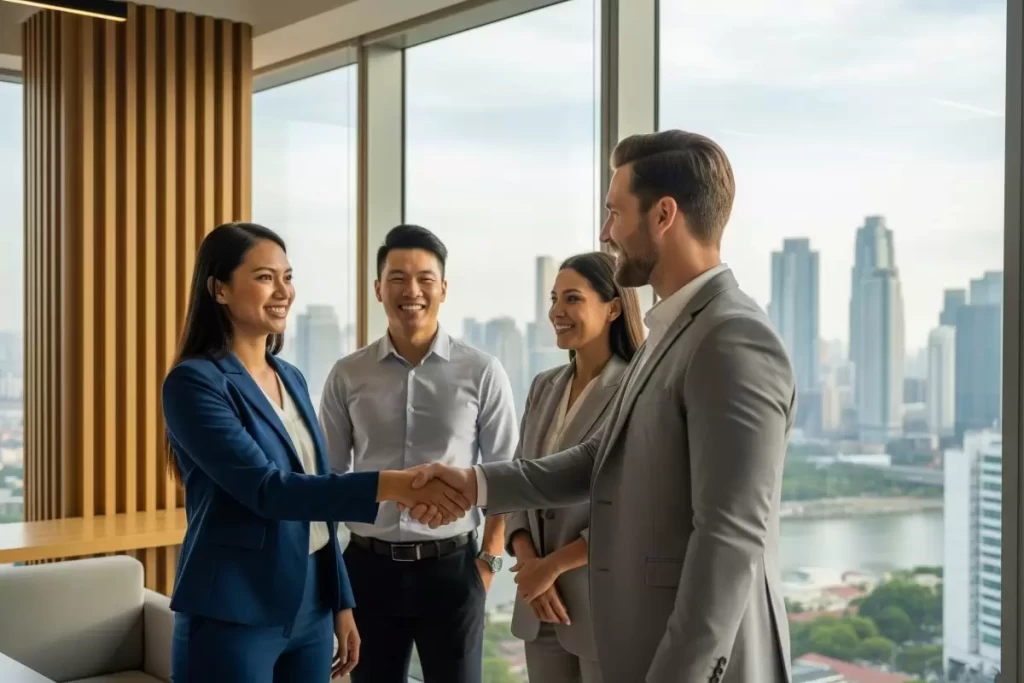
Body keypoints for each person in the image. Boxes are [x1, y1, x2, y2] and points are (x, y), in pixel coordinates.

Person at [407, 130, 797, 683]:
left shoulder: (731, 338)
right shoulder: (669, 333)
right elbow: (598, 459)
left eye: (615, 213)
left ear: (664, 215)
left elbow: (730, 537)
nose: (605, 233)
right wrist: (474, 484)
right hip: (634, 644)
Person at [161, 222, 471, 683]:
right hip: (236, 607)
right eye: (265, 277)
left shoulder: (291, 377)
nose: (283, 291)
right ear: (219, 289)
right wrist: (394, 485)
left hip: (310, 605)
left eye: (287, 277)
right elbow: (269, 491)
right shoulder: (195, 384)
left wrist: (340, 602)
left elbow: (318, 497)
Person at [318, 224, 518, 683]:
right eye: (398, 278)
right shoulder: (348, 375)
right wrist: (336, 583)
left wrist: (488, 561)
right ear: (378, 289)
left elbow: (506, 473)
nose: (412, 291)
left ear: (443, 289)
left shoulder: (482, 371)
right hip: (367, 570)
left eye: (426, 279)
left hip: (452, 571)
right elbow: (327, 480)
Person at [505, 251, 644, 683]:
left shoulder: (635, 390)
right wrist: (530, 563)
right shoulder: (544, 386)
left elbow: (632, 507)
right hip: (536, 603)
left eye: (572, 299)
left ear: (614, 307)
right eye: (553, 299)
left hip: (599, 605)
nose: (556, 312)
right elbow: (518, 479)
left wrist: (552, 567)